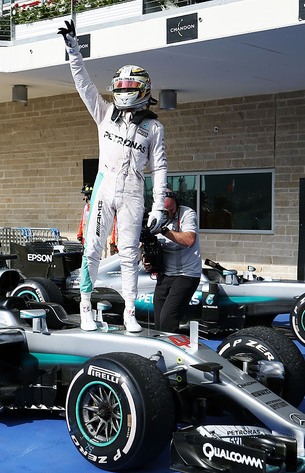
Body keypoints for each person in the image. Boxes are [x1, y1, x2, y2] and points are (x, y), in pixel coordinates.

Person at [59, 20, 168, 333]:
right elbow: (83, 84)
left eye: (127, 88)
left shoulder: (154, 128)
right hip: (103, 188)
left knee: (129, 254)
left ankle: (129, 313)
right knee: (92, 249)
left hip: (134, 191)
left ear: (142, 91)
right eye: (118, 88)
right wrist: (73, 49)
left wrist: (159, 206)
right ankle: (85, 308)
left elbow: (159, 168)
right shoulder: (104, 112)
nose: (121, 92)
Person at [142, 190, 202, 332]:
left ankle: (171, 351)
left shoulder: (187, 214)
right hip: (165, 274)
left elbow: (189, 240)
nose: (168, 214)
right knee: (159, 323)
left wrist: (163, 230)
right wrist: (146, 259)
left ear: (176, 203)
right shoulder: (154, 216)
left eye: (171, 211)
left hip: (186, 274)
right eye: (164, 212)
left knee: (167, 321)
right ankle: (160, 350)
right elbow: (147, 244)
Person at [77, 185, 118, 256]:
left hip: (95, 240)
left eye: (85, 195)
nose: (84, 198)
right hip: (86, 240)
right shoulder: (86, 208)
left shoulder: (98, 208)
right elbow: (83, 222)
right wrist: (80, 235)